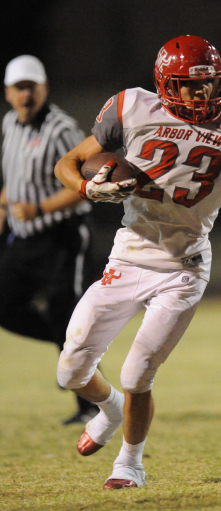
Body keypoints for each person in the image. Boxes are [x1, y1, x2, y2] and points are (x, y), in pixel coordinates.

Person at [53, 35, 221, 490]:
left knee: (136, 372)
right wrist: (90, 190)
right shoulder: (132, 108)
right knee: (69, 369)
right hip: (129, 255)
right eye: (190, 86)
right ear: (167, 83)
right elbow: (68, 164)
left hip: (184, 267)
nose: (203, 95)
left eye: (209, 85)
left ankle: (130, 463)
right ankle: (108, 410)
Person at [0, 55, 98, 425]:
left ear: (44, 88)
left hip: (63, 235)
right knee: (6, 306)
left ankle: (88, 403)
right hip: (25, 239)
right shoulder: (10, 123)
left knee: (67, 314)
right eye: (19, 87)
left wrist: (41, 208)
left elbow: (87, 185)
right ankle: (68, 358)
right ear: (8, 92)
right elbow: (15, 178)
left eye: (31, 86)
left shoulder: (62, 129)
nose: (26, 94)